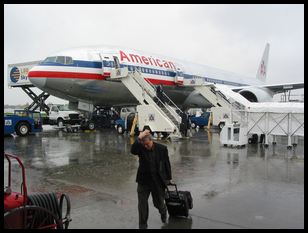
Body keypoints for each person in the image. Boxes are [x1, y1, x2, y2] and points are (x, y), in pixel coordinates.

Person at [131, 129, 172, 229]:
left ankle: (163, 211)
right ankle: (143, 225)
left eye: (147, 144)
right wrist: (139, 137)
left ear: (151, 140)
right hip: (143, 181)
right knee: (142, 205)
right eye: (143, 144)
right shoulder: (141, 147)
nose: (145, 146)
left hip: (157, 181)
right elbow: (133, 150)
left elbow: (167, 164)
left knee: (158, 203)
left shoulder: (162, 149)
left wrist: (168, 178)